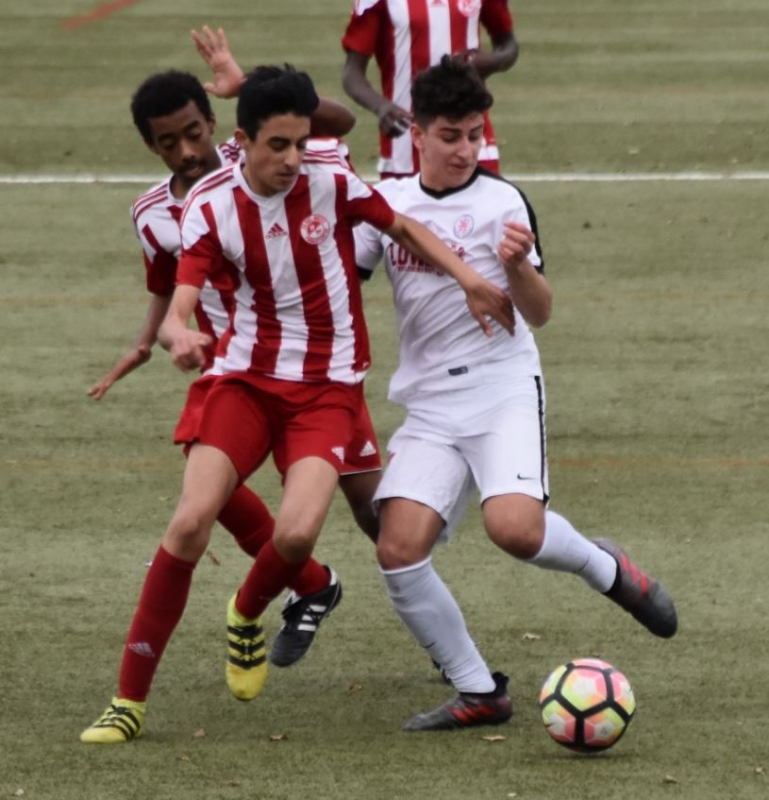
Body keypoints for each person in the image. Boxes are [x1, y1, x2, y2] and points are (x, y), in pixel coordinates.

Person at [81, 62, 514, 744]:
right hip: (244, 380)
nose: (292, 159)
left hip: (327, 390)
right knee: (190, 521)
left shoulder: (329, 177)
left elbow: (401, 227)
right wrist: (174, 335)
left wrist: (468, 279)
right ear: (244, 142)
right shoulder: (209, 205)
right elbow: (179, 300)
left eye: (300, 143)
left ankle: (247, 611)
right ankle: (127, 701)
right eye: (277, 146)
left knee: (300, 534)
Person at [352, 55, 678, 732]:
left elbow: (540, 312)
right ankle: (479, 691)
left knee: (514, 530)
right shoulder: (388, 205)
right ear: (417, 132)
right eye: (450, 136)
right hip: (430, 402)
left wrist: (514, 267)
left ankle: (606, 568)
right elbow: (340, 281)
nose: (465, 149)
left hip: (501, 388)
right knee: (397, 549)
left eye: (475, 135)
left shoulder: (503, 202)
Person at [79, 44, 377, 746]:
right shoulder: (153, 213)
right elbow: (165, 285)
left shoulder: (277, 158)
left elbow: (337, 124)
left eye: (193, 132)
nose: (185, 150)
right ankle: (134, 694)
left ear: (218, 125)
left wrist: (248, 84)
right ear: (151, 147)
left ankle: (433, 644)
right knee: (196, 512)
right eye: (167, 143)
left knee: (380, 518)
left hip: (318, 371)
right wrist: (149, 340)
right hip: (227, 371)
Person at [341, 0, 519, 179]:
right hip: (406, 143)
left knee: (485, 196)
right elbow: (352, 72)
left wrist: (491, 62)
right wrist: (382, 107)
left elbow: (507, 43)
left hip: (473, 138)